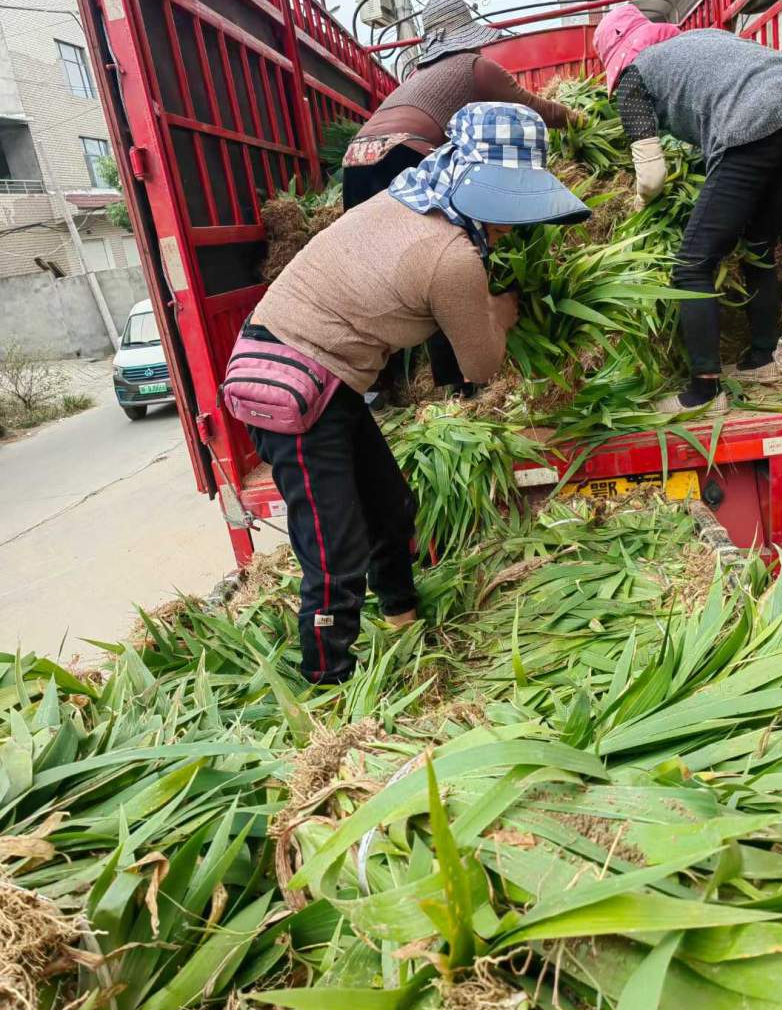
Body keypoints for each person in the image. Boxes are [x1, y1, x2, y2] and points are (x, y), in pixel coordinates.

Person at [238, 103, 589, 685]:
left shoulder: (410, 196)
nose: (510, 223)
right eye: (506, 201)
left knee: (391, 506)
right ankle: (329, 685)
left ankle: (401, 617)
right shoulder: (452, 258)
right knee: (333, 550)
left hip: (330, 376)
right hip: (289, 384)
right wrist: (500, 313)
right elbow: (481, 364)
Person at [342, 0, 582, 399]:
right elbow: (532, 109)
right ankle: (461, 385)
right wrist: (576, 118)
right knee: (442, 262)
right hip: (403, 154)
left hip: (356, 163)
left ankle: (379, 389)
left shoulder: (416, 79)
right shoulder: (476, 67)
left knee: (378, 275)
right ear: (467, 36)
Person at [594, 4, 782, 415]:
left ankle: (704, 394)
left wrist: (639, 203)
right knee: (767, 242)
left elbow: (651, 176)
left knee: (692, 266)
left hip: (752, 123)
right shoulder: (704, 38)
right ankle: (775, 353)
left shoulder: (635, 78)